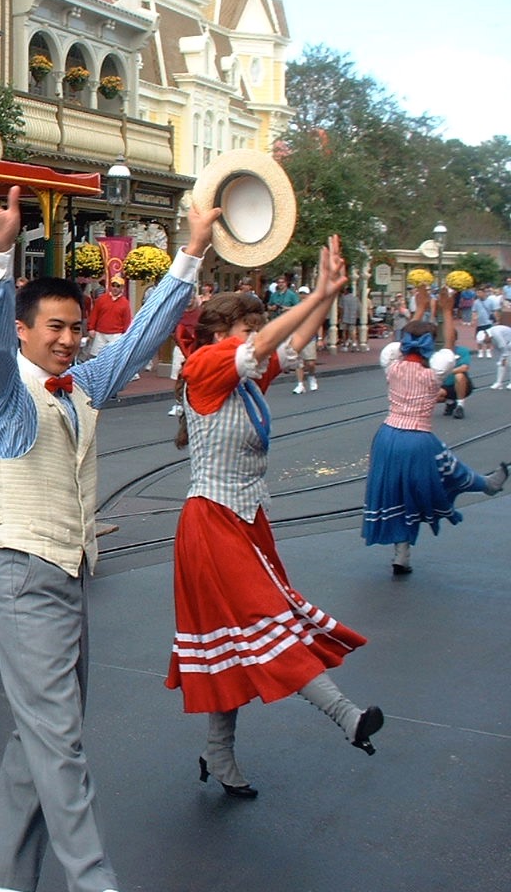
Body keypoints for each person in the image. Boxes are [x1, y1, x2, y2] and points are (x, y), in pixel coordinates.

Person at [0, 175, 212, 892]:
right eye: (55, 329)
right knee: (60, 740)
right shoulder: (1, 393)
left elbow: (146, 337)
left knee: (37, 733)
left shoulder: (84, 385)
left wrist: (189, 253)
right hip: (21, 573)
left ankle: (1, 878)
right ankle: (93, 881)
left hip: (68, 576)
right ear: (25, 333)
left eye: (75, 328)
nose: (69, 340)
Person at [167, 237, 386, 800]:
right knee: (267, 620)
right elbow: (266, 342)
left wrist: (328, 295)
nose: (254, 337)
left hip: (241, 518)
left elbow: (285, 346)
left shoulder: (239, 374)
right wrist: (312, 292)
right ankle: (346, 716)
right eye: (247, 328)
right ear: (222, 335)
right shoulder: (208, 365)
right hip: (211, 520)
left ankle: (218, 755)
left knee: (236, 643)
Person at [362, 287, 507, 576]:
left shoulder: (392, 366)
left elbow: (404, 343)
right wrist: (445, 312)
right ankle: (487, 485)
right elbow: (450, 350)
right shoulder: (432, 374)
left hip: (387, 437)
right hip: (417, 438)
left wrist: (419, 310)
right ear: (428, 346)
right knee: (451, 471)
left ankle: (401, 553)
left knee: (397, 492)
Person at [85, 274, 132, 358]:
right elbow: (94, 314)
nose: (115, 288)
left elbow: (127, 320)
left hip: (116, 334)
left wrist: (126, 334)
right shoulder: (101, 299)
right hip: (100, 333)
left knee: (113, 357)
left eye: (118, 286)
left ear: (122, 288)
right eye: (113, 285)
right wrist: (91, 328)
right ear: (110, 286)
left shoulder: (125, 303)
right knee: (97, 357)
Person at [292, 285, 320, 393]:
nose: (303, 296)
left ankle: (312, 377)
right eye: (301, 293)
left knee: (310, 363)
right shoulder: (296, 308)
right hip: (298, 337)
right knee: (298, 362)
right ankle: (300, 384)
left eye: (305, 294)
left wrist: (320, 338)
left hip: (310, 337)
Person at [481, 324, 511, 388]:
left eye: (485, 341)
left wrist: (505, 357)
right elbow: (498, 349)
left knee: (509, 363)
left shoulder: (495, 333)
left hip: (509, 344)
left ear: (486, 336)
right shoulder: (491, 336)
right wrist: (502, 358)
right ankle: (499, 383)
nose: (485, 343)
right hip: (507, 345)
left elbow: (502, 345)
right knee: (501, 364)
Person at [338, 287, 360, 351]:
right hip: (353, 316)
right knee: (352, 330)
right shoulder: (355, 298)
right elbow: (358, 308)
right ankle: (354, 343)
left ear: (347, 291)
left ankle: (345, 345)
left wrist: (340, 317)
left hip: (345, 316)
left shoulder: (343, 298)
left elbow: (341, 308)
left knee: (344, 331)